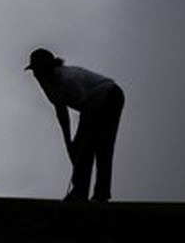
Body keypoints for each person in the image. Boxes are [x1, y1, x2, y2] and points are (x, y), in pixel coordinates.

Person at [25, 48, 125, 202]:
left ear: (47, 67)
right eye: (34, 70)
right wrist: (68, 143)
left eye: (37, 69)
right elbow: (61, 113)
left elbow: (87, 111)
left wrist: (77, 144)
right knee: (81, 147)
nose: (35, 74)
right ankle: (80, 191)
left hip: (110, 97)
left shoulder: (68, 79)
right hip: (91, 105)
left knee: (101, 146)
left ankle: (97, 193)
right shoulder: (45, 82)